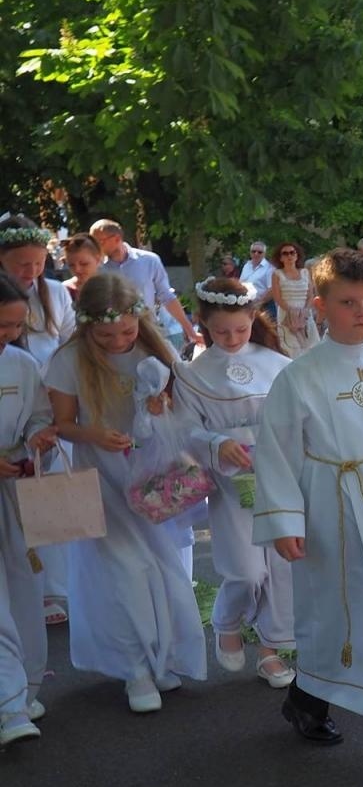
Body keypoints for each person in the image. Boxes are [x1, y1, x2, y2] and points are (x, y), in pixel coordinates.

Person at [252, 248, 363, 745]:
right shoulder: (299, 376)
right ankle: (310, 697)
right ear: (319, 306)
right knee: (338, 606)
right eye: (349, 302)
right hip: (331, 506)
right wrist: (285, 519)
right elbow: (277, 451)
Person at [44, 274, 206, 713]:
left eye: (127, 331)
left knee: (161, 566)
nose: (118, 341)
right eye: (107, 335)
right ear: (86, 327)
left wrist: (161, 407)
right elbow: (63, 423)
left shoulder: (156, 349)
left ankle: (163, 656)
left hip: (152, 474)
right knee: (125, 571)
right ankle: (134, 667)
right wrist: (92, 433)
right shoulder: (70, 359)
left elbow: (179, 405)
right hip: (102, 476)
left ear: (140, 321)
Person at [175, 278, 295, 689]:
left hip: (279, 477)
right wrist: (216, 441)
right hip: (232, 485)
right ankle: (226, 619)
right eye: (220, 331)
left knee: (282, 567)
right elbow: (186, 428)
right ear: (204, 324)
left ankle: (270, 648)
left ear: (253, 320)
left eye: (240, 330)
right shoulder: (193, 374)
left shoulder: (278, 363)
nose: (231, 338)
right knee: (246, 570)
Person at [0, 215, 75, 624]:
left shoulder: (55, 295)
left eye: (37, 263)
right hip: (16, 401)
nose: (30, 272)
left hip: (41, 403)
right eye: (20, 265)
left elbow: (66, 342)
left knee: (42, 503)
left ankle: (45, 586)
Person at [0, 275, 58, 744]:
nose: (9, 334)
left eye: (16, 326)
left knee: (24, 588)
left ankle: (27, 684)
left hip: (15, 490)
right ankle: (9, 702)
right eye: (1, 324)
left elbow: (40, 415)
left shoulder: (21, 364)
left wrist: (39, 438)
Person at [87, 219, 201, 346]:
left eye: (99, 241)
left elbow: (167, 297)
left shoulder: (149, 260)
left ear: (117, 239)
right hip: (116, 339)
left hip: (149, 332)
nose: (95, 247)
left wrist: (190, 331)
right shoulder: (98, 269)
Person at [268, 241, 320, 358]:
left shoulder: (305, 272)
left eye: (292, 253)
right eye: (285, 253)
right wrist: (291, 311)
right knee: (292, 347)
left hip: (305, 313)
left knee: (311, 344)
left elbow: (311, 294)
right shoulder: (277, 274)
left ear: (297, 255)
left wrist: (305, 310)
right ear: (280, 258)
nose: (289, 256)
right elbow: (277, 297)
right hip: (286, 313)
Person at [60, 233, 101, 299]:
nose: (77, 269)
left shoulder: (112, 289)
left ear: (98, 260)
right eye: (71, 265)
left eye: (84, 264)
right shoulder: (63, 290)